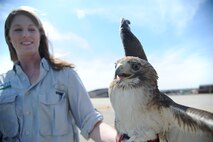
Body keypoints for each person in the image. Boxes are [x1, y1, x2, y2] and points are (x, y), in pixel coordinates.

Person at [0, 6, 117, 142]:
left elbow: (91, 123)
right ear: (9, 37)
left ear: (40, 35)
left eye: (31, 29)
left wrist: (121, 140)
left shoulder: (66, 75)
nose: (25, 34)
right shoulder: (2, 84)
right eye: (18, 29)